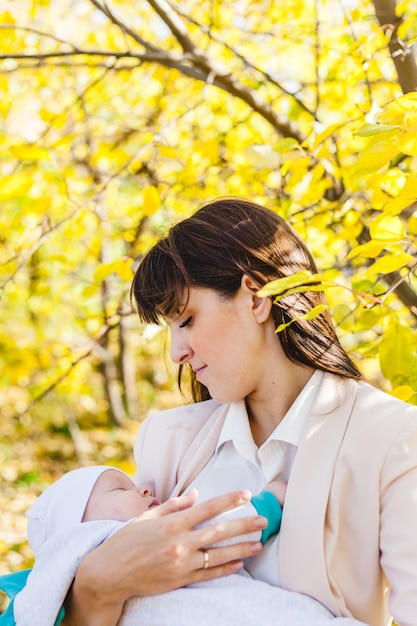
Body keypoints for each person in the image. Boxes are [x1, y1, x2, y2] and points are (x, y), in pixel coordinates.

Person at [16, 197, 417, 626]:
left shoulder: (393, 441)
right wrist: (96, 586)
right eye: (169, 330)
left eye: (186, 320)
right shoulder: (168, 441)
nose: (175, 353)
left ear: (258, 295)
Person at [13, 466, 364, 626]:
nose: (145, 490)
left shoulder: (52, 592)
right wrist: (268, 504)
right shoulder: (93, 541)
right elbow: (213, 527)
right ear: (79, 524)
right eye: (120, 490)